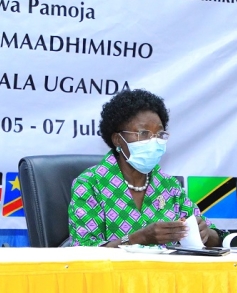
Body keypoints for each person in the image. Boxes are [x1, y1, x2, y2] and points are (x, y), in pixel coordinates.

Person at [68, 89, 223, 247]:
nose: (154, 141)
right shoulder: (89, 184)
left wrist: (206, 233)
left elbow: (218, 240)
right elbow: (83, 250)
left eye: (160, 134)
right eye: (143, 133)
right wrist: (139, 238)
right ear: (117, 139)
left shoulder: (169, 186)